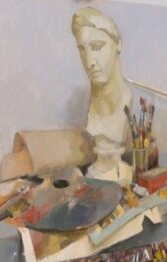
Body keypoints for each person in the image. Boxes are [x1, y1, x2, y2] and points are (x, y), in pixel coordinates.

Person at [71, 6, 133, 184]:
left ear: (118, 44)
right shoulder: (92, 105)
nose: (89, 61)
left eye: (97, 47)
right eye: (82, 49)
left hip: (117, 175)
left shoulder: (125, 101)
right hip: (95, 174)